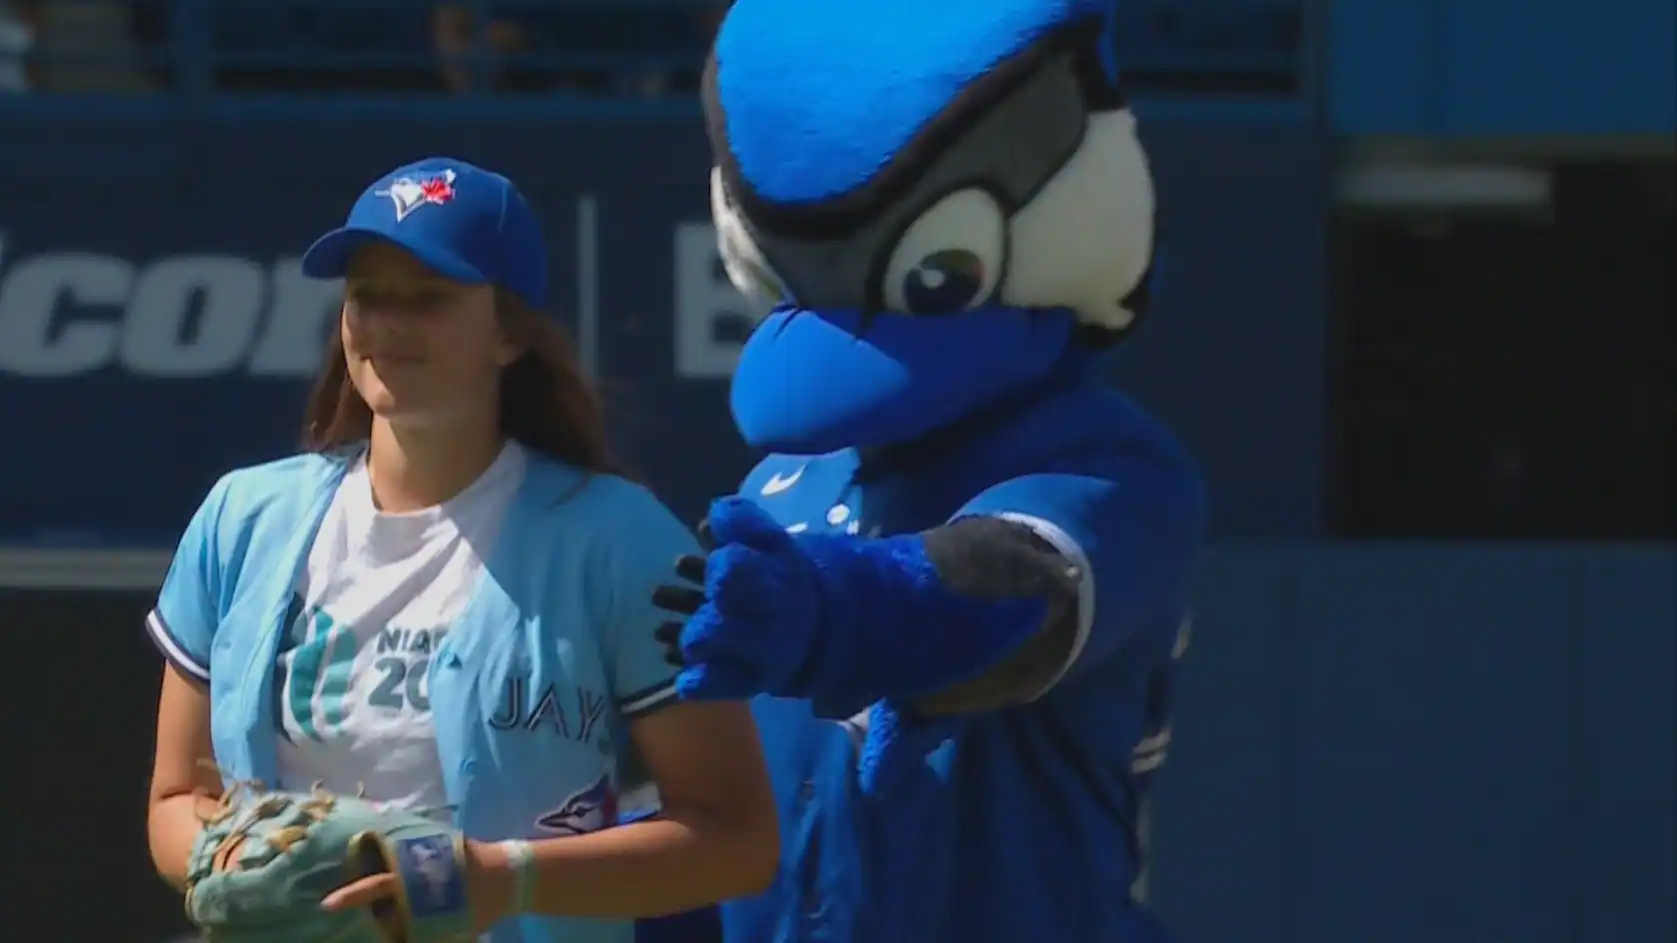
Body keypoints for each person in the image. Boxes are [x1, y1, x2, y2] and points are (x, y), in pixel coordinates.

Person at [649, 0, 1204, 941]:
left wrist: (836, 613)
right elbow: (749, 823)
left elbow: (1013, 594)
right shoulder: (782, 480)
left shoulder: (1106, 458)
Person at [142, 157, 778, 942]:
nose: (386, 324)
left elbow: (736, 839)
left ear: (509, 333)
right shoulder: (243, 517)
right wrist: (226, 863)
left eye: (429, 298)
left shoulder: (618, 539)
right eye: (367, 295)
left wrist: (501, 879)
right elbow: (176, 799)